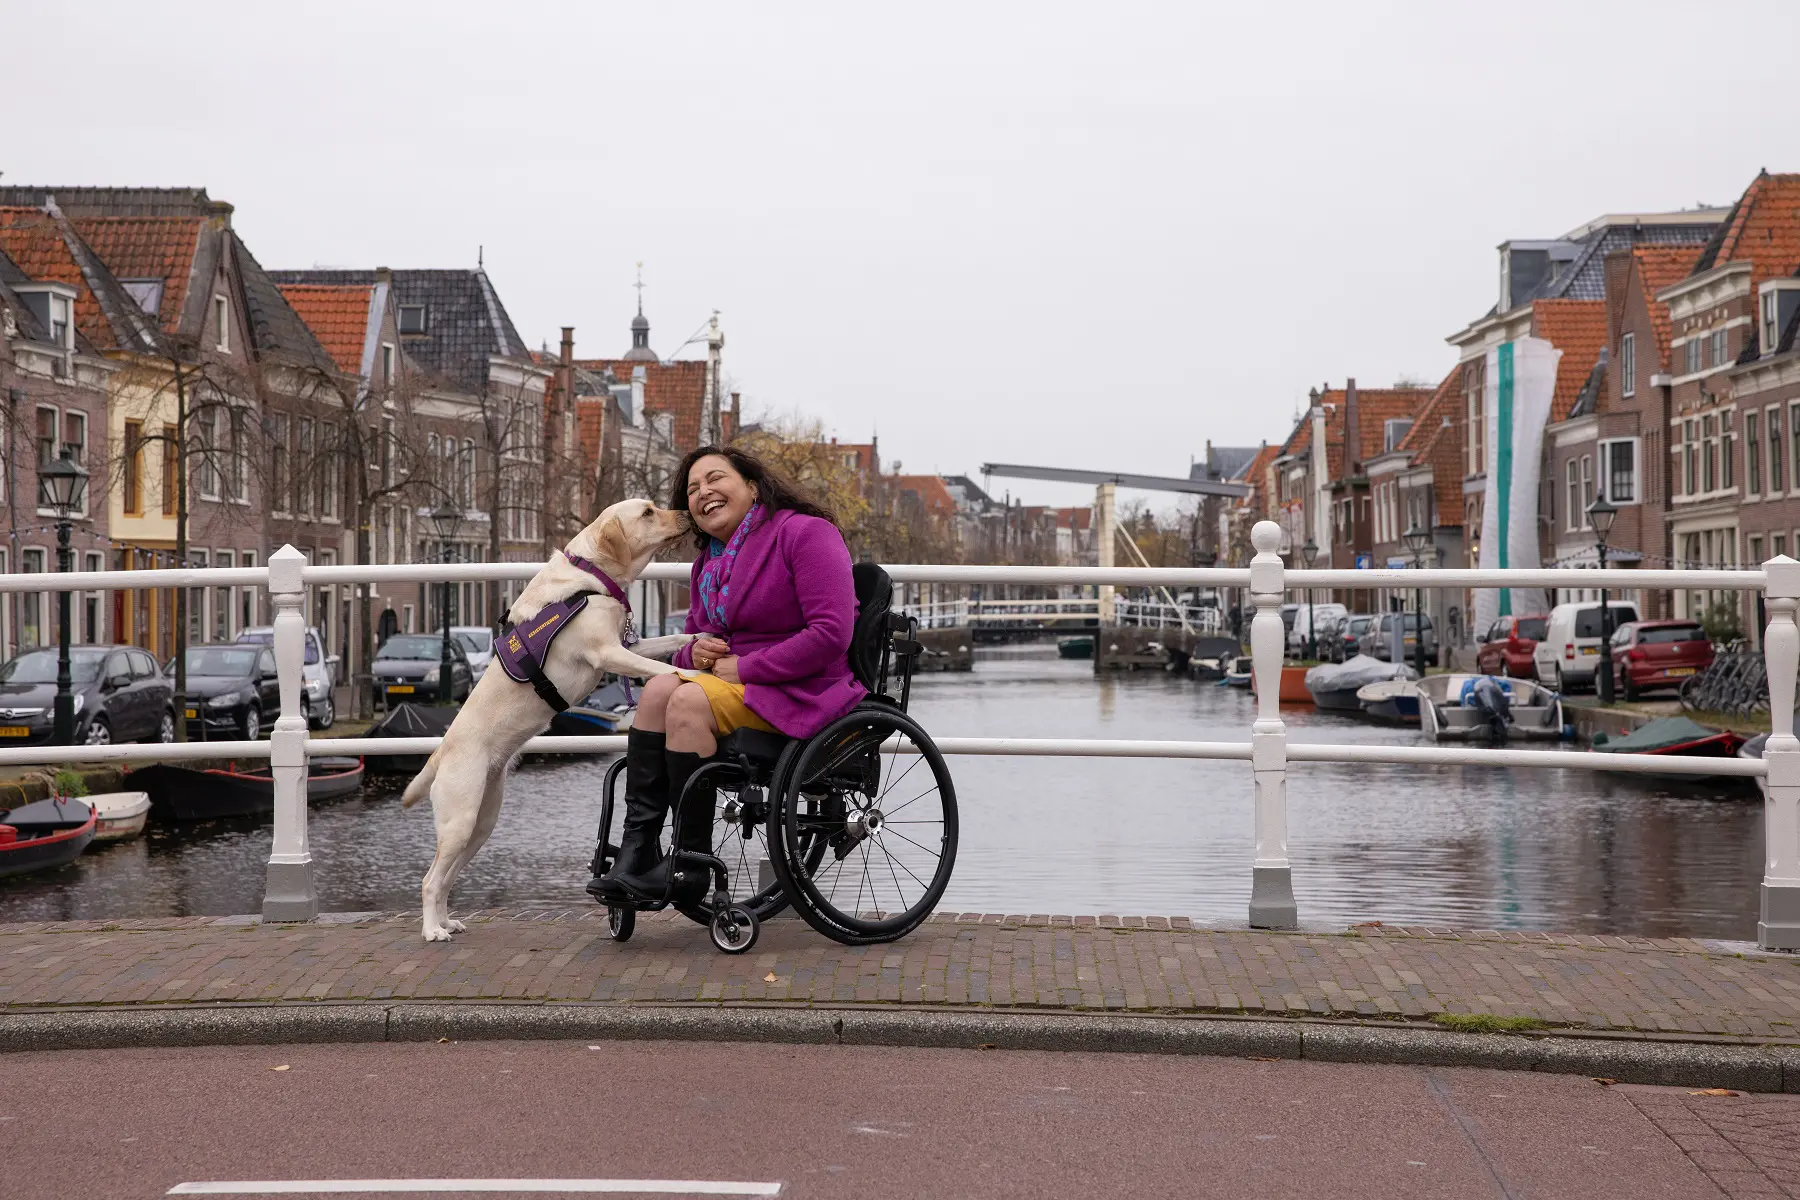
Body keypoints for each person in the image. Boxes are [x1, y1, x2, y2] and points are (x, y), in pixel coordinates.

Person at [589, 445, 866, 903]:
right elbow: (692, 648)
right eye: (693, 488)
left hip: (804, 691)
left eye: (716, 479)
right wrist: (693, 654)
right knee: (659, 688)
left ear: (753, 486)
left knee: (686, 701)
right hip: (734, 687)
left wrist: (747, 667)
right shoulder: (710, 564)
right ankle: (638, 848)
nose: (704, 493)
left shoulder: (807, 534)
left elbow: (832, 633)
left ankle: (690, 862)